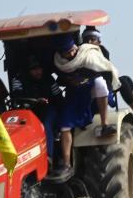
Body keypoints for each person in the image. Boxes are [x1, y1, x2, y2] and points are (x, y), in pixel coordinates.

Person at [50, 35, 118, 180]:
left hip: (92, 90)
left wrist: (86, 78)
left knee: (100, 83)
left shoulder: (87, 54)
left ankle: (105, 124)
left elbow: (104, 71)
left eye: (72, 50)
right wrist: (70, 80)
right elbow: (61, 79)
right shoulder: (60, 63)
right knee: (64, 125)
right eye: (67, 52)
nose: (72, 54)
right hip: (75, 94)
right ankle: (67, 164)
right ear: (61, 54)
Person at [81, 27, 133, 129]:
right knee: (122, 82)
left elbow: (107, 69)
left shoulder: (99, 51)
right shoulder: (84, 54)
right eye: (97, 39)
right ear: (89, 41)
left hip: (103, 84)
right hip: (93, 91)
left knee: (126, 79)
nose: (100, 42)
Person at [10, 55, 64, 161]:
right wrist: (35, 100)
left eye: (39, 68)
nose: (38, 71)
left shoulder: (48, 78)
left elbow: (58, 97)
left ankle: (48, 157)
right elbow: (17, 96)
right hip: (27, 111)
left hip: (48, 109)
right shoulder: (18, 79)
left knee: (45, 124)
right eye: (34, 69)